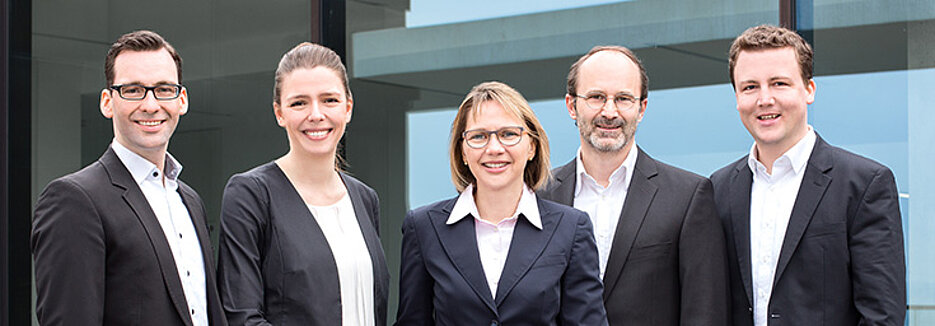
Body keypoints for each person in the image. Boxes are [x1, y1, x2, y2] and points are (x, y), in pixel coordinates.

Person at [710, 24, 906, 326]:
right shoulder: (717, 189)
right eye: (750, 87)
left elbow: (882, 315)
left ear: (809, 90)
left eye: (779, 83)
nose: (764, 99)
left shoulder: (865, 184)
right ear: (736, 97)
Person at [31, 30, 227, 326]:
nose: (150, 105)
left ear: (182, 100)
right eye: (133, 90)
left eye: (163, 89)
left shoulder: (189, 199)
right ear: (107, 102)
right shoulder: (74, 200)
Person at [538, 45, 728, 325]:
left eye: (624, 99)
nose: (610, 112)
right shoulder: (538, 196)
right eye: (596, 97)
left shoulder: (688, 196)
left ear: (642, 108)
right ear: (571, 106)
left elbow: (704, 313)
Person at [395, 81, 607, 325]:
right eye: (479, 136)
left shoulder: (571, 229)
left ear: (532, 147)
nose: (494, 148)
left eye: (509, 134)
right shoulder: (423, 228)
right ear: (463, 152)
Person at [216, 42, 389, 326]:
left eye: (329, 100)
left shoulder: (365, 198)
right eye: (299, 103)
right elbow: (241, 317)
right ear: (279, 112)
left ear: (348, 107)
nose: (316, 114)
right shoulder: (250, 195)